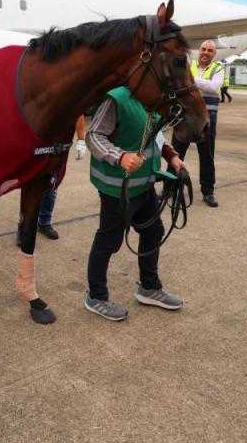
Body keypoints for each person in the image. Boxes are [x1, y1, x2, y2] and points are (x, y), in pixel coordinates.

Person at [83, 86, 188, 321]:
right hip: (117, 189)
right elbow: (93, 136)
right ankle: (96, 297)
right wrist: (120, 156)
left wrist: (172, 156)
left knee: (153, 231)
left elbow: (156, 136)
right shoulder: (117, 99)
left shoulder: (152, 98)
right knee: (108, 241)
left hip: (143, 185)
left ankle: (149, 288)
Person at [173, 40, 223, 207]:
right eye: (203, 49)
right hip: (184, 116)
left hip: (207, 119)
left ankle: (208, 191)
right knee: (176, 154)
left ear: (214, 54)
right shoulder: (189, 66)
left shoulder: (219, 69)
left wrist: (191, 80)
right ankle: (169, 187)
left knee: (207, 155)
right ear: (198, 51)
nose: (206, 52)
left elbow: (213, 86)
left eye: (210, 50)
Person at [29, 115, 87, 241]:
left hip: (58, 150)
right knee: (32, 189)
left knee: (52, 187)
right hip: (39, 145)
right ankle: (24, 227)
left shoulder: (70, 97)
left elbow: (78, 113)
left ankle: (44, 222)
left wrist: (81, 140)